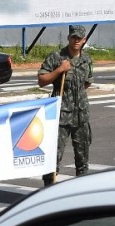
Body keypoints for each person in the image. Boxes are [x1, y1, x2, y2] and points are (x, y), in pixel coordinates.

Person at [38, 25, 93, 186]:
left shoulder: (87, 59)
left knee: (82, 158)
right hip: (60, 115)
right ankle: (48, 191)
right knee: (54, 156)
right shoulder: (56, 57)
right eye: (73, 37)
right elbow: (41, 80)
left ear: (84, 40)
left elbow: (86, 83)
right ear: (69, 38)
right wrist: (59, 70)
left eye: (79, 38)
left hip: (81, 115)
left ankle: (81, 193)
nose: (76, 41)